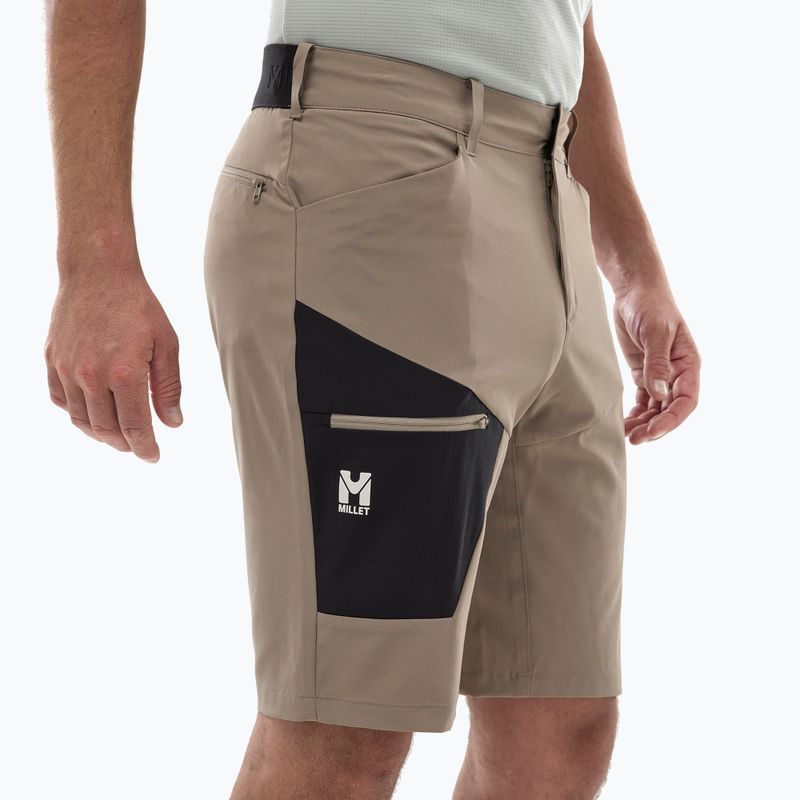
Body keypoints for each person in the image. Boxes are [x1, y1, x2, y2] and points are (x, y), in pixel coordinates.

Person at [44, 1, 701, 797]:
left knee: (561, 723)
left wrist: (633, 269)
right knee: (347, 729)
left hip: (552, 188)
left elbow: (569, 21)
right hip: (372, 179)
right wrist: (94, 263)